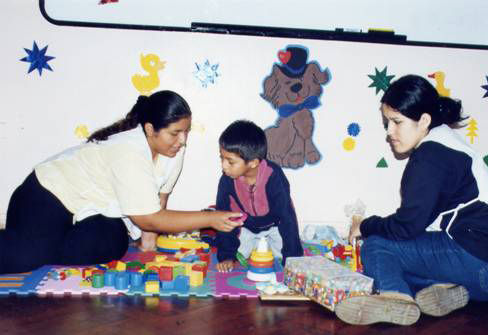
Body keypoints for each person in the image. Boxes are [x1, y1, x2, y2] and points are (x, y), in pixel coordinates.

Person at [335, 75, 488, 326]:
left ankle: (396, 299)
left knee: (378, 245)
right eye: (387, 123)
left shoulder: (430, 157)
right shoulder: (444, 140)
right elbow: (421, 224)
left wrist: (367, 225)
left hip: (483, 263)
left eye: (396, 122)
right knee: (397, 262)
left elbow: (406, 227)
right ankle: (449, 290)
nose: (389, 132)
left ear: (424, 120)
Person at [0, 90, 242, 274]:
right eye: (175, 133)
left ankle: (44, 245)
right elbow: (148, 217)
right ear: (150, 129)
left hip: (83, 212)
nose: (182, 140)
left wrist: (150, 246)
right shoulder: (129, 151)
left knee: (113, 242)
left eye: (186, 132)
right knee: (29, 255)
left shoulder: (173, 152)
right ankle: (34, 247)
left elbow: (158, 203)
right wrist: (211, 218)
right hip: (45, 194)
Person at [214, 120, 303, 273]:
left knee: (286, 255)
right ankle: (255, 247)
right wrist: (227, 257)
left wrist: (292, 260)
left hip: (274, 226)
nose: (223, 165)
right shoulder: (226, 181)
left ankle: (266, 246)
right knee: (237, 253)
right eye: (221, 158)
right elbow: (224, 219)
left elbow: (287, 217)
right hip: (246, 228)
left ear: (253, 163)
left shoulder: (273, 176)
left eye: (230, 161)